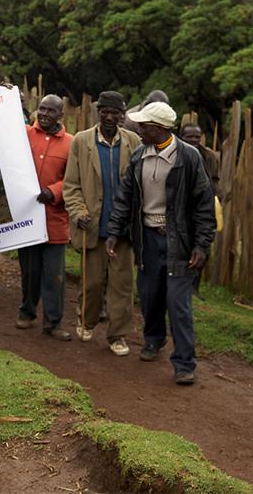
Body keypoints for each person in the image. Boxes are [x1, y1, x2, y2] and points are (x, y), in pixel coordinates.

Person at [107, 101, 216, 385]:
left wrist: (201, 245)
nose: (138, 129)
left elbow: (205, 206)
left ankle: (183, 363)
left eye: (143, 126)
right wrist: (115, 232)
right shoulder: (139, 156)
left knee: (178, 303)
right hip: (147, 239)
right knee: (150, 295)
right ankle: (153, 341)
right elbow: (125, 197)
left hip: (179, 242)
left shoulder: (189, 158)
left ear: (158, 129)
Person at [63, 91, 140, 355]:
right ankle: (86, 319)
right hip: (92, 226)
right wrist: (78, 211)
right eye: (104, 111)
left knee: (122, 285)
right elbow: (71, 185)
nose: (109, 117)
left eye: (114, 112)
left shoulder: (134, 142)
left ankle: (118, 335)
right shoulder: (81, 141)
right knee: (93, 283)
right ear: (98, 113)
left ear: (123, 114)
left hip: (123, 230)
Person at [18, 94, 73, 340]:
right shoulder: (25, 134)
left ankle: (54, 321)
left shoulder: (71, 144)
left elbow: (73, 179)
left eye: (51, 111)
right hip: (27, 217)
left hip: (54, 218)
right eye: (41, 109)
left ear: (60, 115)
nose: (44, 114)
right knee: (30, 270)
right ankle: (27, 312)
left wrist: (54, 191)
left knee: (54, 274)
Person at [180, 123, 221, 199]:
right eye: (190, 137)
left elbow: (214, 179)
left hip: (202, 198)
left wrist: (216, 197)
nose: (193, 139)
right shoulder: (175, 154)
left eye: (197, 137)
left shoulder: (209, 156)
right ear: (181, 137)